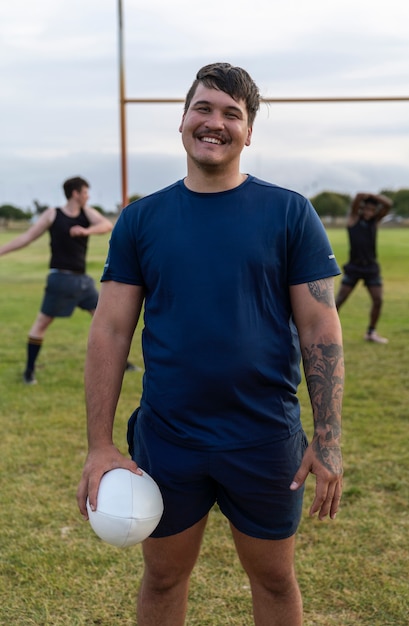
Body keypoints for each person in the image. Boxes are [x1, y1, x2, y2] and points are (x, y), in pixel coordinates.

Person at [77, 63, 344, 626]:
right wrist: (100, 444)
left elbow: (321, 327)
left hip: (263, 435)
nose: (215, 122)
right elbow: (109, 330)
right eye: (203, 108)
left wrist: (329, 437)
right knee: (164, 576)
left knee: (274, 578)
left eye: (232, 114)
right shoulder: (140, 220)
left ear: (249, 132)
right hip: (171, 436)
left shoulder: (288, 212)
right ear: (182, 122)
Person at [0, 176, 138, 384]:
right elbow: (26, 238)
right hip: (60, 280)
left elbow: (106, 225)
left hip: (83, 282)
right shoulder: (52, 214)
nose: (88, 196)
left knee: (105, 321)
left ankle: (122, 363)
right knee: (42, 323)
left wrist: (86, 230)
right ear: (75, 193)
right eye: (85, 192)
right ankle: (29, 372)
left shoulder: (86, 214)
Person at [335, 192, 393, 344]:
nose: (368, 212)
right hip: (354, 267)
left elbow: (388, 204)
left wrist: (375, 198)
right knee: (339, 301)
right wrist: (365, 198)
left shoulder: (374, 222)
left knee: (378, 300)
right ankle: (328, 332)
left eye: (371, 210)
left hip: (371, 268)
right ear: (361, 209)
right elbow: (358, 196)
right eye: (366, 209)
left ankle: (371, 332)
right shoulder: (353, 219)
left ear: (375, 211)